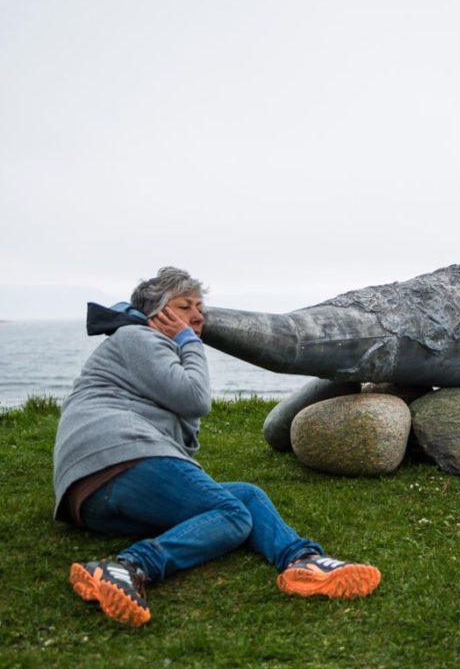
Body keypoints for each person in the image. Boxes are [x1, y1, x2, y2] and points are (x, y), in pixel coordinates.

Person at [53, 267, 380, 627]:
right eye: (184, 306)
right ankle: (130, 565)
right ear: (155, 314)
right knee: (233, 514)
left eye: (200, 308)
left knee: (247, 496)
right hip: (121, 459)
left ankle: (303, 561)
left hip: (94, 498)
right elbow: (194, 398)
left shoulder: (139, 346)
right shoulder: (137, 336)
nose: (197, 317)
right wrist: (189, 343)